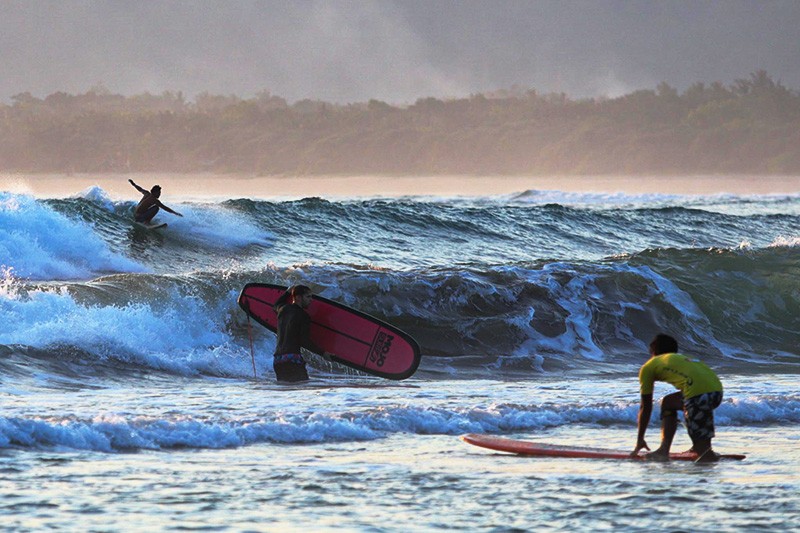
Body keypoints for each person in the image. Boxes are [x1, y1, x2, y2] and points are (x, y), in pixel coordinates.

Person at [631, 333, 724, 462]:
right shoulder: (684, 358)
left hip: (698, 394)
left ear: (652, 350)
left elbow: (645, 406)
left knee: (703, 454)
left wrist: (640, 439)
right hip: (716, 393)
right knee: (668, 402)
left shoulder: (648, 366)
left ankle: (705, 455)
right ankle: (670, 449)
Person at [272, 285, 335, 383]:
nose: (311, 300)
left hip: (278, 360)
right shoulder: (303, 316)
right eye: (308, 297)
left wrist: (287, 292)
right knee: (302, 390)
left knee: (285, 393)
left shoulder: (283, 309)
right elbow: (304, 341)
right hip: (293, 359)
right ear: (298, 297)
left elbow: (276, 305)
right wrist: (323, 353)